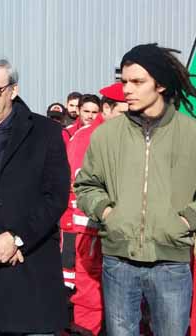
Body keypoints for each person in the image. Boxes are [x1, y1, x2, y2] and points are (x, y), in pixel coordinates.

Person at [75, 43, 196, 336]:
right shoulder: (107, 134)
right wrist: (108, 213)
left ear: (161, 84)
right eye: (124, 81)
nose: (127, 89)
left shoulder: (191, 133)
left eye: (137, 82)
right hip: (119, 262)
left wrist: (185, 220)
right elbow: (86, 185)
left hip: (172, 262)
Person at [0, 58, 69, 335]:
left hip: (32, 263)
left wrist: (16, 237)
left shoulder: (47, 132)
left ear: (13, 90)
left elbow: (55, 195)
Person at [61, 82, 127, 335]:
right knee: (89, 297)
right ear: (107, 109)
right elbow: (76, 188)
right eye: (124, 112)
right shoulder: (87, 138)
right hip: (88, 233)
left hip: (118, 232)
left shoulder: (125, 136)